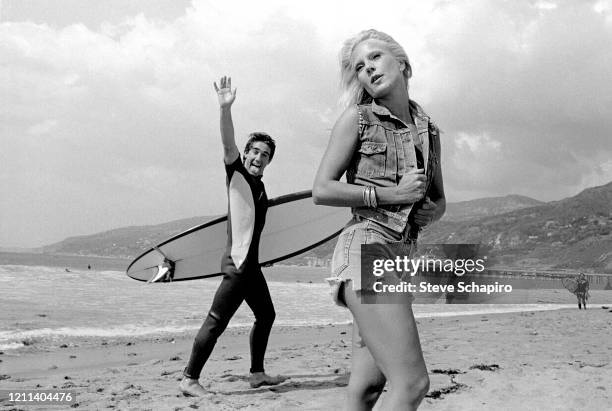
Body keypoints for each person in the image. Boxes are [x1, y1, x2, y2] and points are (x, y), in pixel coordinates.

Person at [313, 29, 445, 410]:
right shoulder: (358, 119)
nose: (367, 69)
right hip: (366, 245)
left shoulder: (430, 131)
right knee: (413, 383)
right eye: (359, 67)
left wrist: (431, 211)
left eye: (374, 58)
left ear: (401, 63)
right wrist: (391, 195)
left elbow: (440, 198)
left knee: (369, 386)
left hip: (402, 255)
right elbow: (321, 189)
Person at [180, 76, 286, 396]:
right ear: (246, 154)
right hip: (238, 264)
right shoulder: (237, 174)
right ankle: (189, 379)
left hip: (251, 266)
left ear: (269, 160)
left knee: (266, 314)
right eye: (253, 152)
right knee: (216, 321)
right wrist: (225, 110)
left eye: (264, 154)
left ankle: (257, 373)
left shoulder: (260, 186)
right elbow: (227, 144)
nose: (257, 157)